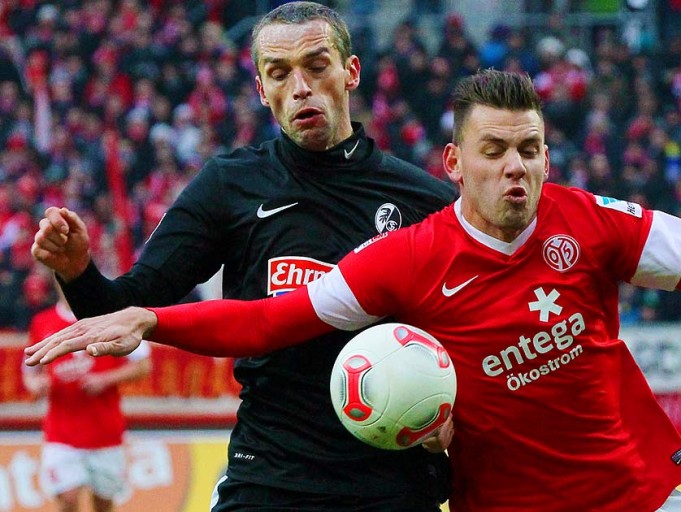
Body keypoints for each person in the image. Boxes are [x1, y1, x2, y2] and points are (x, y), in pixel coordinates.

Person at [26, 70, 681, 512]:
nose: (518, 168)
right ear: (457, 163)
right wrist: (150, 316)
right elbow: (272, 319)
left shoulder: (595, 221)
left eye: (531, 149)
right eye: (497, 151)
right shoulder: (409, 259)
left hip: (634, 499)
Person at [29, 3, 456, 510]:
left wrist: (453, 413)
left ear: (351, 72)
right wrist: (77, 271)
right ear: (261, 90)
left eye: (317, 66)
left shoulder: (424, 203)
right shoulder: (229, 185)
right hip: (269, 478)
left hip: (391, 484)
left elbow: (470, 332)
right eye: (279, 73)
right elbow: (119, 311)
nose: (300, 87)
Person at [22, 287, 152, 512]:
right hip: (61, 433)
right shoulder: (42, 322)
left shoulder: (111, 318)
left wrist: (105, 379)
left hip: (105, 432)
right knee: (68, 499)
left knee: (103, 503)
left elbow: (144, 365)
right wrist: (36, 385)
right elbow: (29, 370)